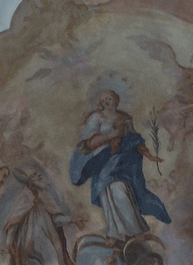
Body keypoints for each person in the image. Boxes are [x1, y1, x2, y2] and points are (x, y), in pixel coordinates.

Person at [70, 90, 170, 240]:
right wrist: (110, 136)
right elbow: (88, 143)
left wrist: (149, 155)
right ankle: (115, 234)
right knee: (107, 196)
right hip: (102, 162)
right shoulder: (96, 117)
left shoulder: (124, 118)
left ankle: (136, 231)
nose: (105, 102)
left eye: (109, 99)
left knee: (120, 191)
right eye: (103, 99)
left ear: (116, 100)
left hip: (122, 162)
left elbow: (135, 140)